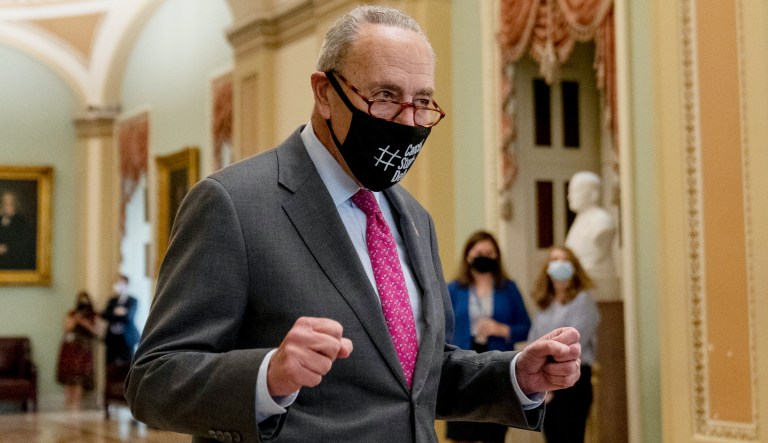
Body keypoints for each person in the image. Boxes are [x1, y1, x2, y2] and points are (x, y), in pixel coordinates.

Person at [126, 6, 581, 442]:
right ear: (324, 92)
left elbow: (417, 377)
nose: (408, 120)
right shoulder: (232, 204)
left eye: (422, 101)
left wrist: (514, 375)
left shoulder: (414, 217)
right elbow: (154, 379)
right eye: (385, 96)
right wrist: (268, 375)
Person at [446, 231, 531, 443]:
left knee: (494, 430)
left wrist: (502, 329)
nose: (484, 256)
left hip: (496, 361)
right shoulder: (454, 289)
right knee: (462, 430)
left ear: (497, 257)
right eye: (479, 252)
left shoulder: (508, 288)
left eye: (490, 253)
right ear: (468, 256)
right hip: (462, 362)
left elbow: (526, 327)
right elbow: (442, 325)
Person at [529, 246, 600, 443]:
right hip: (545, 381)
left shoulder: (583, 300)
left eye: (564, 259)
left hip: (573, 379)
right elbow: (534, 340)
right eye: (554, 259)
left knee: (571, 436)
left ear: (574, 267)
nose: (559, 263)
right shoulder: (544, 303)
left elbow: (573, 340)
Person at [56, 291, 100, 409]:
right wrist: (75, 320)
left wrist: (84, 322)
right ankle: (68, 404)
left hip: (84, 349)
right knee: (69, 377)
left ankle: (76, 404)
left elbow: (98, 332)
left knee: (79, 378)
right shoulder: (72, 313)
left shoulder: (93, 315)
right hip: (71, 347)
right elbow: (66, 328)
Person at [102, 275, 139, 366]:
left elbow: (128, 317)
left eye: (120, 283)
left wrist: (114, 313)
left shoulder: (133, 301)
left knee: (127, 366)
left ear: (126, 284)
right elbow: (105, 315)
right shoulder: (112, 300)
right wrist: (118, 312)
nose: (118, 285)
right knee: (110, 367)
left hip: (126, 339)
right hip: (112, 339)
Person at [0, 190, 36, 270]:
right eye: (4, 203)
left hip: (15, 264)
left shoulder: (22, 222)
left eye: (10, 203)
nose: (7, 206)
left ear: (15, 204)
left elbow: (25, 245)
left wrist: (6, 248)